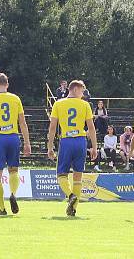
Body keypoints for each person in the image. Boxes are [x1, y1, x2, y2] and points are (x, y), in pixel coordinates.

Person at [0, 73, 32, 215]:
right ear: (7, 85)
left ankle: (2, 208)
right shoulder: (15, 99)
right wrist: (27, 142)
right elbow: (22, 123)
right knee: (13, 170)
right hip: (14, 137)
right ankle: (13, 194)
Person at [47, 80, 98, 217]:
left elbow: (52, 128)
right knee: (77, 177)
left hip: (66, 141)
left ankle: (70, 196)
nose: (83, 94)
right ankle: (73, 209)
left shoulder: (58, 103)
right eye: (82, 91)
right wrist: (94, 147)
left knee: (61, 174)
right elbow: (91, 127)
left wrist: (50, 146)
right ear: (75, 89)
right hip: (81, 141)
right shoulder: (85, 105)